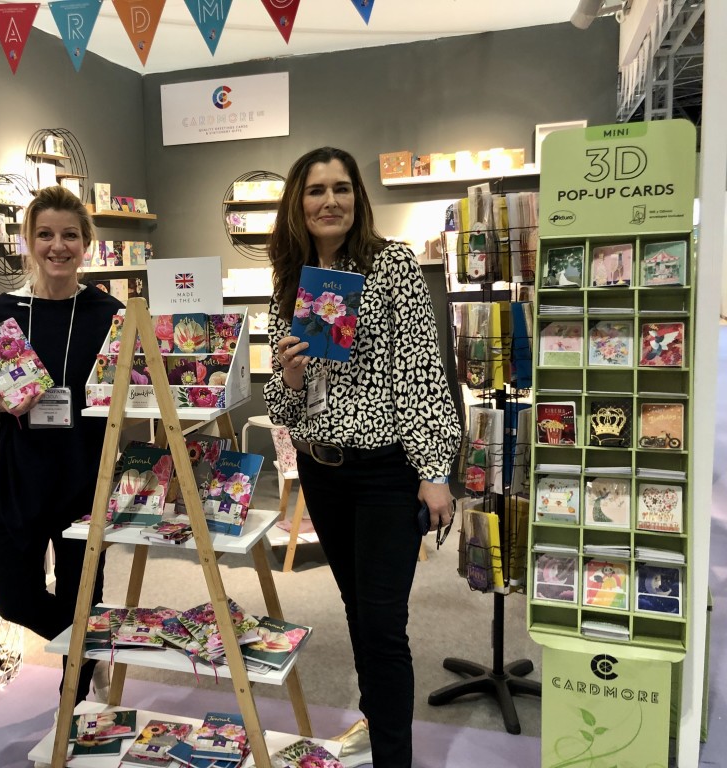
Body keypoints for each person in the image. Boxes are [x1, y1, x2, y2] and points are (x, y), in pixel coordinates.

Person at [263, 147, 461, 767]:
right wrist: (291, 382)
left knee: (383, 628)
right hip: (323, 471)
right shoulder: (291, 280)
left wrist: (433, 472)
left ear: (357, 197)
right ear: (298, 202)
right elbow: (286, 402)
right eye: (316, 190)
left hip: (383, 473)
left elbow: (422, 373)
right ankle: (379, 733)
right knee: (358, 616)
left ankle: (393, 760)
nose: (330, 201)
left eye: (341, 188)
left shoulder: (391, 265)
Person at [0, 185, 123, 705]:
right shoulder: (0, 313)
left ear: (86, 243)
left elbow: (129, 392)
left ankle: (73, 711)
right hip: (16, 479)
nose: (57, 245)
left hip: (83, 478)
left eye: (70, 234)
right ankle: (90, 650)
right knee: (14, 598)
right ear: (27, 241)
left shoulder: (109, 313)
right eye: (45, 234)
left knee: (81, 599)